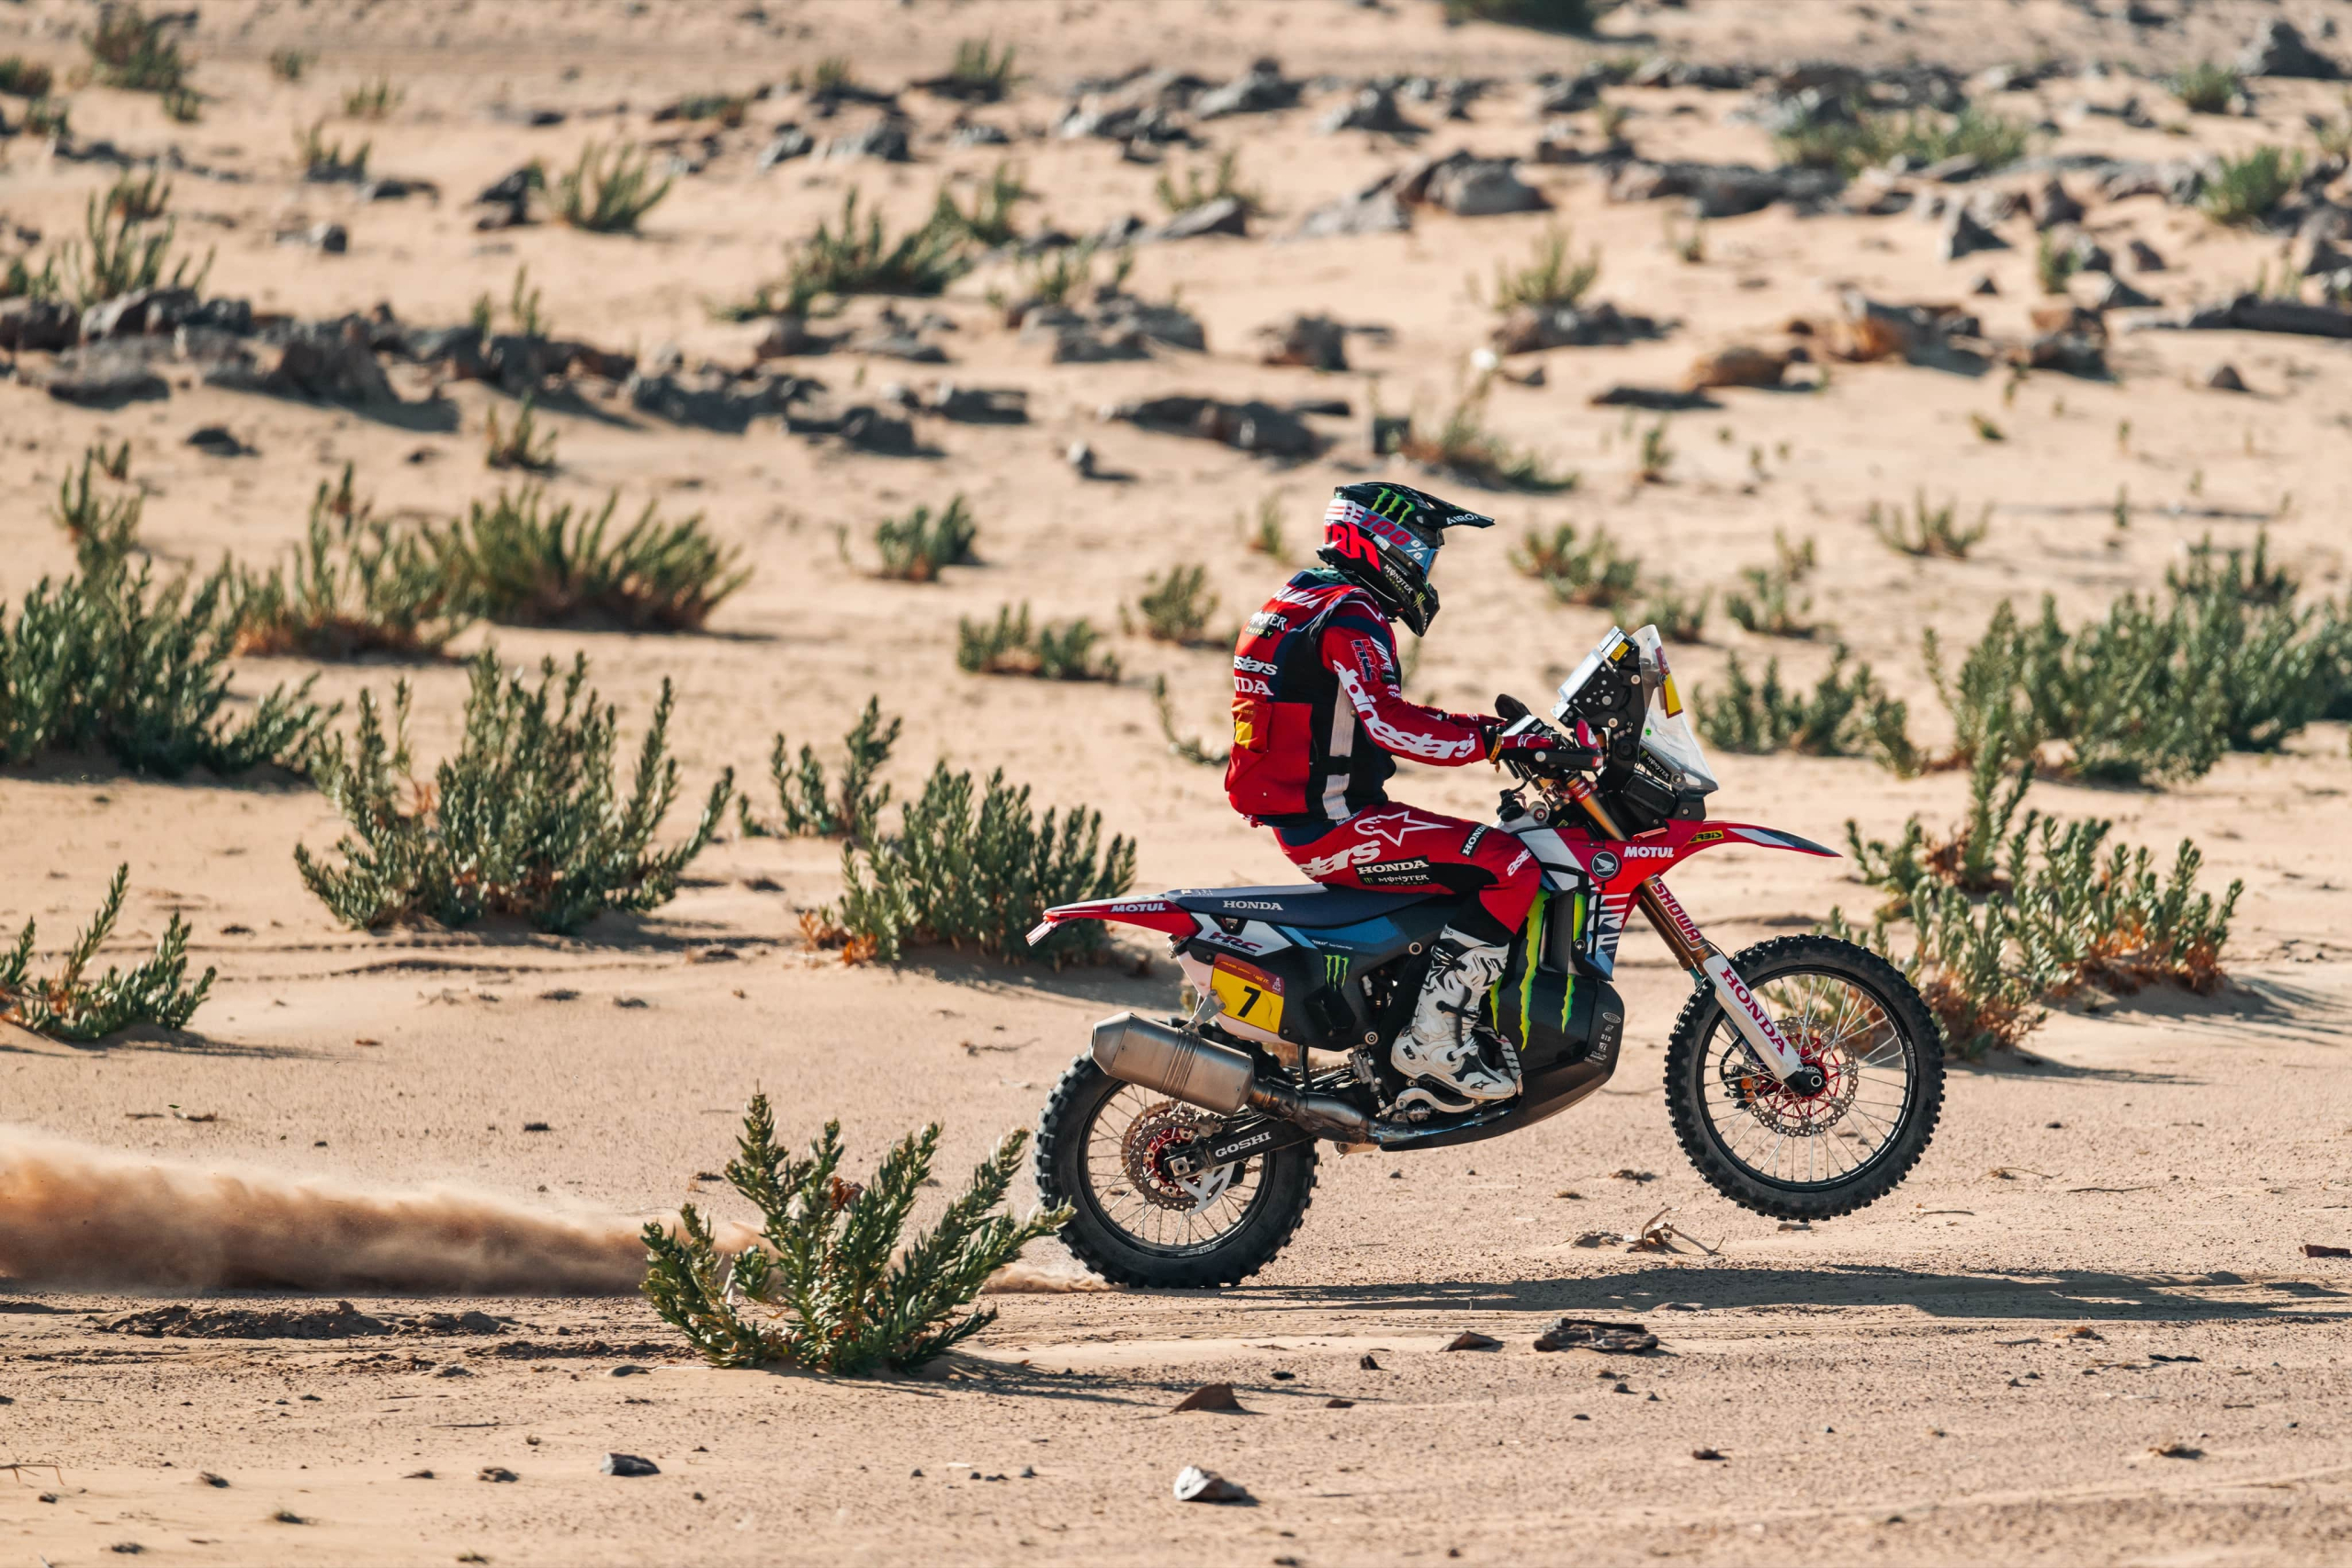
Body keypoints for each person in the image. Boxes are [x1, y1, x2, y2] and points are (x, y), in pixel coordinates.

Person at [1225, 481, 1567, 1111]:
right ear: (1380, 543)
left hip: (1314, 818)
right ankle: (1434, 1040)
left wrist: (1492, 737)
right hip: (1338, 824)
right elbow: (1391, 724)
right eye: (1420, 552)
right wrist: (1495, 740)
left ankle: (1422, 1012)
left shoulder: (1297, 597)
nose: (1424, 569)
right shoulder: (1351, 614)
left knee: (1471, 863)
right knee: (1510, 865)